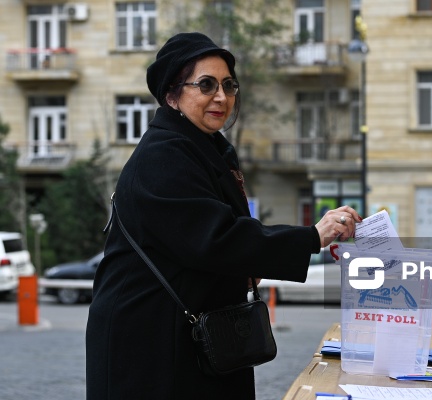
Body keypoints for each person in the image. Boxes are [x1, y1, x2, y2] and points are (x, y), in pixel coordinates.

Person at [85, 32, 361, 399]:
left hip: (198, 333)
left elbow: (223, 237)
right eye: (206, 84)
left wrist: (253, 262)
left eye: (229, 85)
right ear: (172, 95)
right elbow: (216, 239)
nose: (221, 97)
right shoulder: (163, 156)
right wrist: (311, 236)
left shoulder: (207, 149)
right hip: (151, 342)